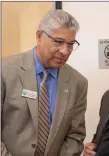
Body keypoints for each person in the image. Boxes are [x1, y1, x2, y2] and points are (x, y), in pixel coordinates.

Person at [1, 9, 88, 156]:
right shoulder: (5, 70)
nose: (65, 51)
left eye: (71, 44)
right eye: (58, 42)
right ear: (39, 36)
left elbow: (75, 136)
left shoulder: (78, 83)